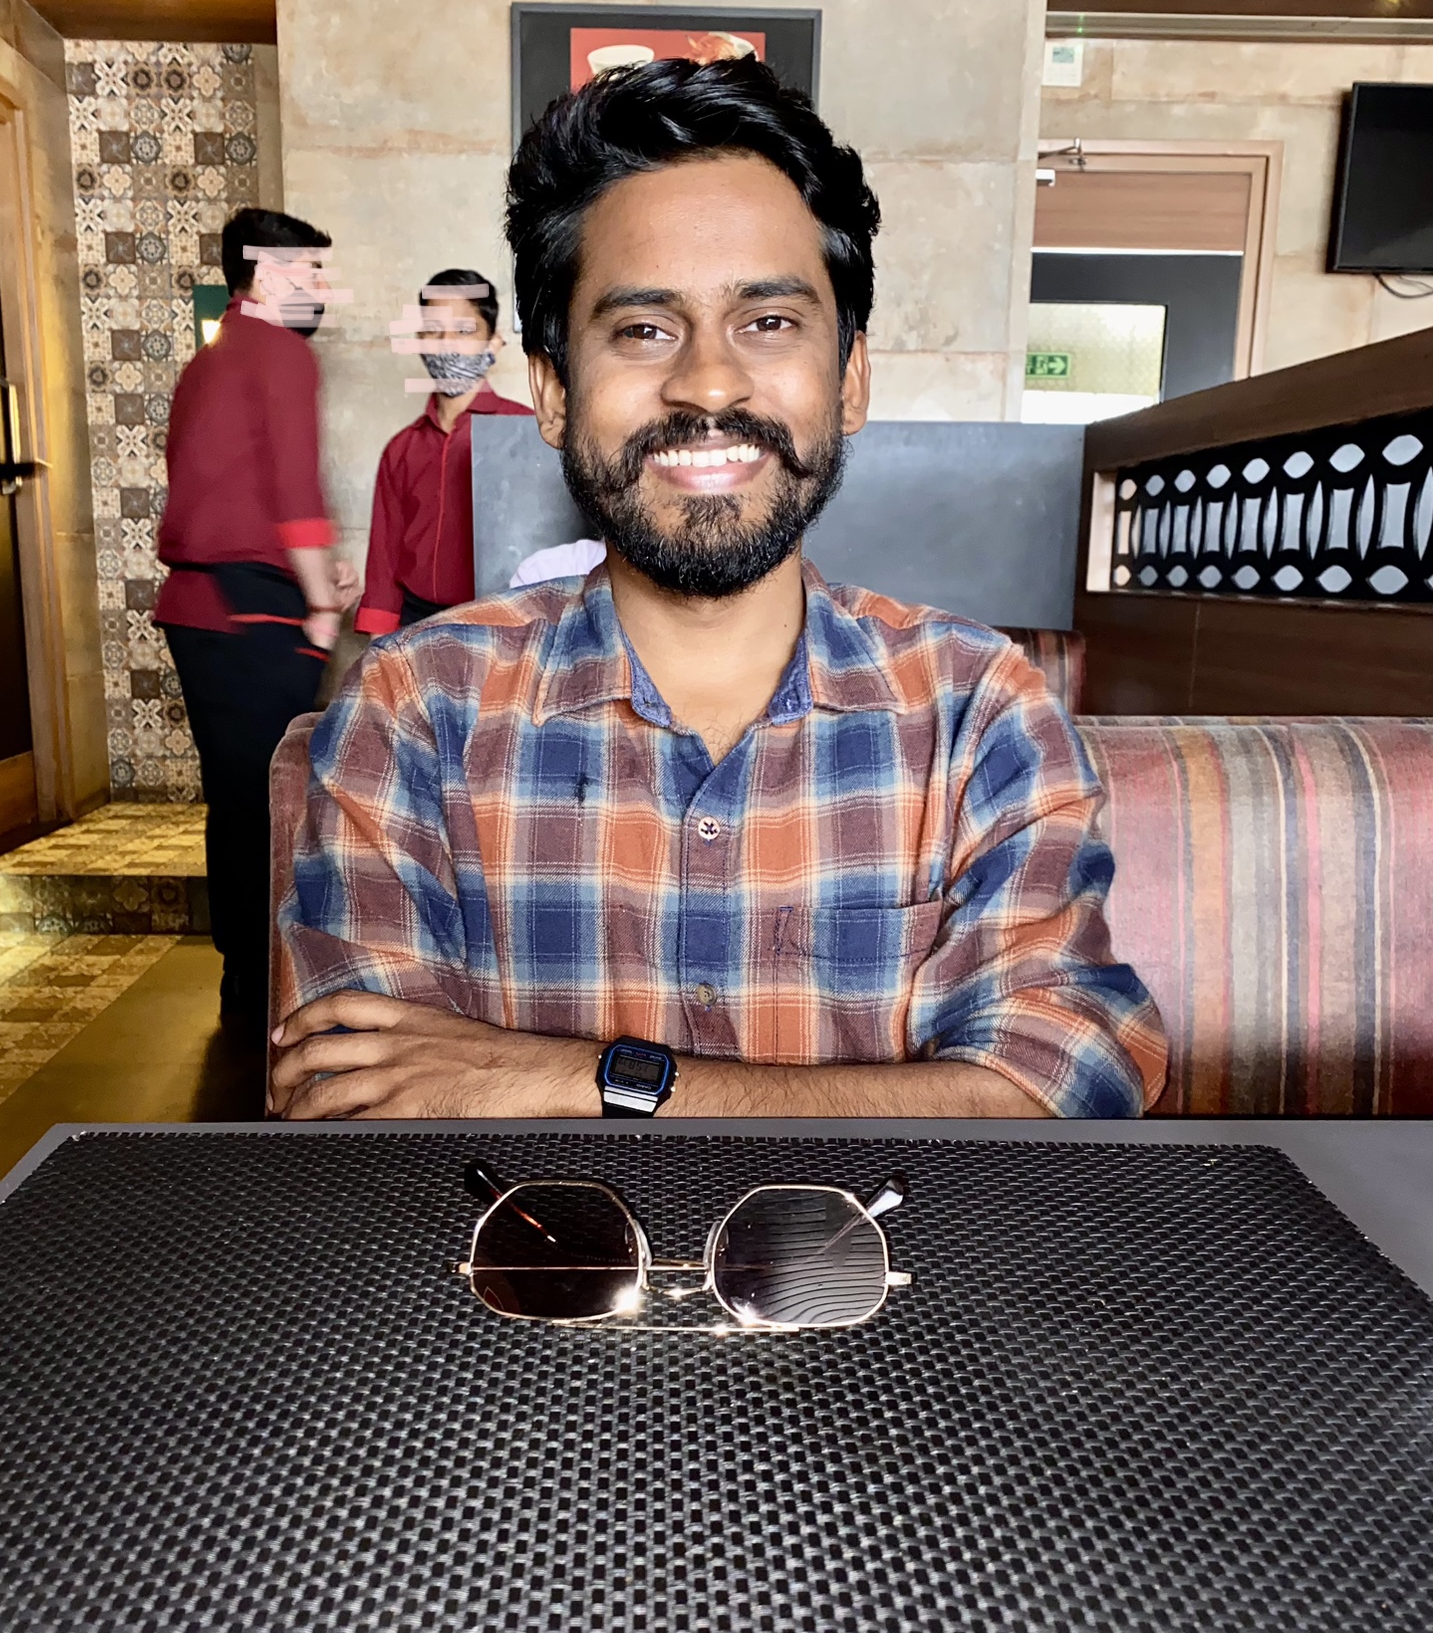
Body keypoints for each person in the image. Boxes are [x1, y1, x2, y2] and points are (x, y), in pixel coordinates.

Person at [271, 58, 1166, 1122]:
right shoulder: (415, 708)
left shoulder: (977, 707)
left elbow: (1064, 1082)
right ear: (553, 392)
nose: (707, 382)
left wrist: (579, 1078)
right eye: (643, 330)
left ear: (850, 379)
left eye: (769, 322)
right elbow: (358, 1104)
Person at [154, 205, 360, 1029]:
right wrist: (321, 602)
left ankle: (242, 976)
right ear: (269, 273)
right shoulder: (279, 351)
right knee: (279, 801)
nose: (321, 289)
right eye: (311, 272)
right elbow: (293, 489)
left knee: (236, 800)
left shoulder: (209, 358)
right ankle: (273, 986)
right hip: (252, 613)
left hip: (202, 609)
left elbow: (223, 488)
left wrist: (310, 572)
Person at [354, 268, 532, 636]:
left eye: (464, 331)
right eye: (433, 331)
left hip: (501, 626)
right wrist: (379, 641)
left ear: (493, 343)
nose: (446, 344)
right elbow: (384, 559)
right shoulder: (402, 448)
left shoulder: (527, 433)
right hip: (416, 625)